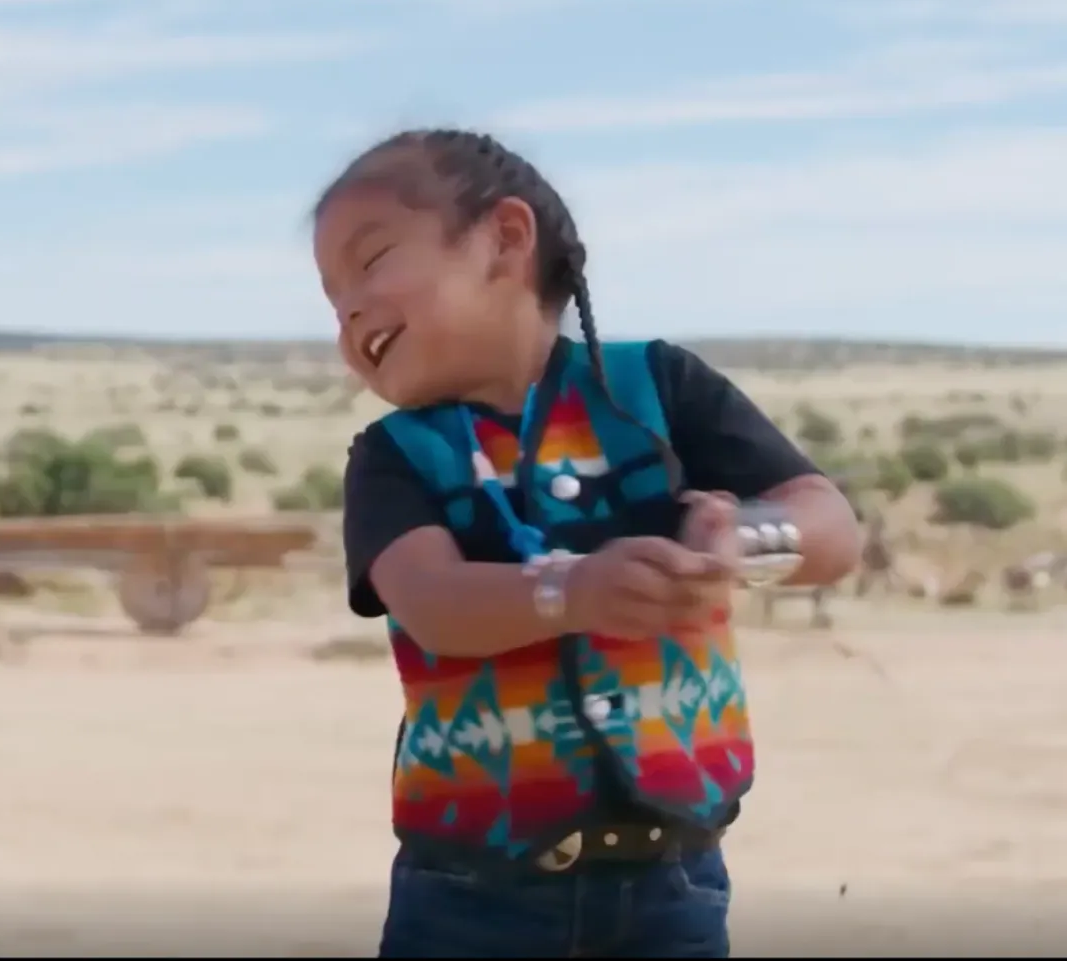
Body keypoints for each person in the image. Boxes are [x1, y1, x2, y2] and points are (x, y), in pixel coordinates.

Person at [316, 129, 863, 958]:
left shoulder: (657, 389)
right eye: (330, 296)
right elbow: (433, 602)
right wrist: (567, 594)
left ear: (505, 239)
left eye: (372, 259)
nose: (349, 308)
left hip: (671, 881)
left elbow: (830, 523)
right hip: (466, 895)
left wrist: (745, 537)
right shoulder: (394, 455)